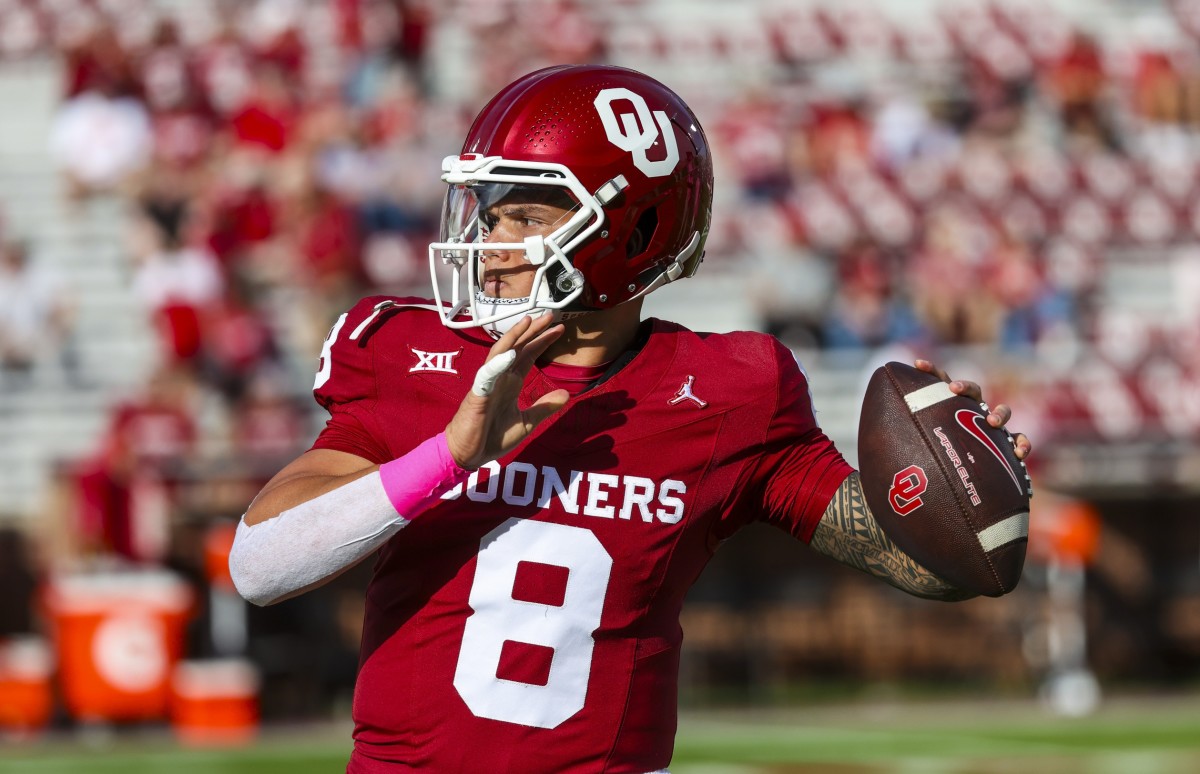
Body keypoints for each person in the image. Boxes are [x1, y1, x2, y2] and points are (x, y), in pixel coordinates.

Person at [229, 65, 1032, 773]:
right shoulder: (407, 352)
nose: (492, 242)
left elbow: (929, 565)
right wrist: (447, 456)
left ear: (632, 229)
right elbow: (259, 567)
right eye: (490, 210)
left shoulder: (731, 389)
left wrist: (971, 490)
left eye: (527, 215)